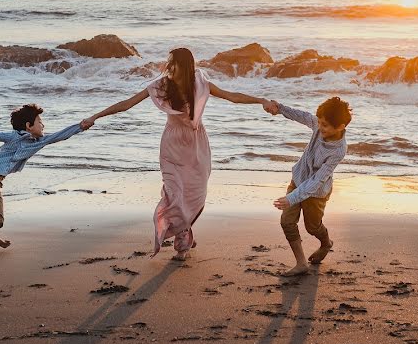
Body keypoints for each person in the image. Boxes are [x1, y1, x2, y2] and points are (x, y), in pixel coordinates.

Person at [85, 48, 275, 260]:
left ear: (184, 66)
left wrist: (261, 100)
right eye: (169, 62)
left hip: (196, 145)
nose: (169, 67)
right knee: (173, 193)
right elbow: (126, 104)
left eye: (173, 63)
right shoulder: (161, 86)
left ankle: (184, 232)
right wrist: (95, 116)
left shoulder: (200, 85)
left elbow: (232, 97)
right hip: (172, 147)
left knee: (195, 195)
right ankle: (182, 239)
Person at [0, 104, 92, 248]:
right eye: (40, 122)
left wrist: (80, 127)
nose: (43, 125)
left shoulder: (39, 142)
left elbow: (60, 135)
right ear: (28, 126)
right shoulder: (14, 137)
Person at [266, 96, 351, 275]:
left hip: (316, 192)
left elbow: (317, 180)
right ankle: (301, 263)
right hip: (298, 179)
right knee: (287, 222)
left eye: (325, 125)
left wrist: (292, 198)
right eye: (319, 122)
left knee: (312, 227)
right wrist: (279, 107)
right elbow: (301, 115)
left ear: (340, 127)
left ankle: (326, 243)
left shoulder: (339, 150)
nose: (320, 127)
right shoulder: (319, 125)